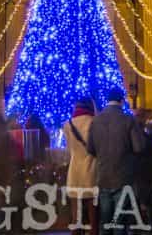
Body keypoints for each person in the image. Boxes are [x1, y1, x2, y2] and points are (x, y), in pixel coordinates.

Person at [86, 88, 145, 235]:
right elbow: (139, 147)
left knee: (105, 219)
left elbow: (90, 148)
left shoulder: (96, 120)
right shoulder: (128, 120)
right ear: (122, 100)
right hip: (123, 176)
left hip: (103, 176)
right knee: (120, 220)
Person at [62, 99, 98, 234]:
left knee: (75, 209)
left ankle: (76, 232)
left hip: (75, 168)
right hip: (91, 167)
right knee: (92, 208)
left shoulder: (68, 124)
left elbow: (68, 149)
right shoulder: (94, 122)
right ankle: (94, 231)